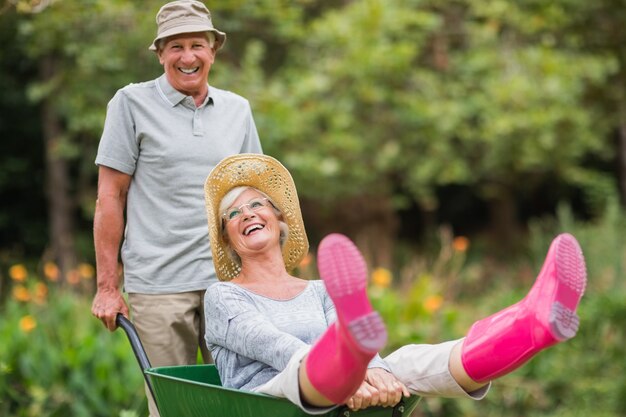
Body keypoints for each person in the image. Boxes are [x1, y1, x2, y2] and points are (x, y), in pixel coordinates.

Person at [202, 154, 587, 414]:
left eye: (256, 205)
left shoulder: (319, 290)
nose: (246, 215)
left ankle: (530, 323)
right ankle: (346, 358)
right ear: (228, 237)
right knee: (298, 370)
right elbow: (274, 346)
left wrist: (379, 370)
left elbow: (360, 345)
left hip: (338, 383)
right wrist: (352, 378)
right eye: (233, 214)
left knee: (411, 361)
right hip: (268, 399)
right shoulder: (223, 296)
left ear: (277, 217)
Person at [91, 1, 262, 415]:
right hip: (160, 285)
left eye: (197, 45)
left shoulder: (237, 109)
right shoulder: (131, 104)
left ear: (213, 50)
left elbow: (254, 195)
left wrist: (268, 273)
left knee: (245, 400)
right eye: (176, 46)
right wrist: (107, 287)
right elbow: (109, 197)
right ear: (161, 53)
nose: (188, 57)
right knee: (175, 409)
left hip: (231, 284)